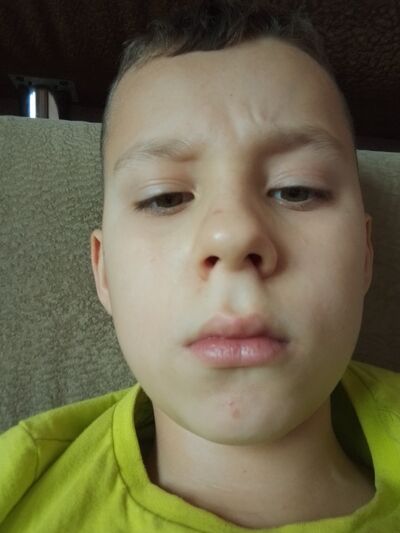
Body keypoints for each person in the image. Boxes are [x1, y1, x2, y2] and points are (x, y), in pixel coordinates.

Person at [1, 1, 399, 531]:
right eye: (164, 198)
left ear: (366, 253)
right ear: (104, 272)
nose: (233, 236)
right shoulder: (18, 485)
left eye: (296, 189)